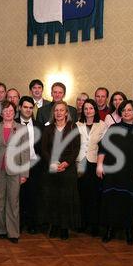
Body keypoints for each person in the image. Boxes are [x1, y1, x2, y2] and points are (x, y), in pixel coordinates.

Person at [97, 100, 133, 245]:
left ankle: (129, 230)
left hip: (131, 172)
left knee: (129, 202)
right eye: (124, 110)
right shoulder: (113, 127)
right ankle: (109, 230)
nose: (126, 113)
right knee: (111, 200)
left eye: (129, 110)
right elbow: (103, 148)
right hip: (113, 171)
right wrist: (99, 165)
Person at [41, 101, 81, 240]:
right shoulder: (48, 128)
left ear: (66, 112)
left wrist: (66, 163)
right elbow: (44, 149)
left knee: (66, 199)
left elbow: (76, 148)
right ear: (54, 113)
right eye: (56, 110)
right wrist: (52, 162)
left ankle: (64, 227)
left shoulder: (73, 127)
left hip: (67, 168)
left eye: (61, 110)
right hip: (52, 167)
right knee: (53, 198)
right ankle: (54, 225)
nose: (58, 113)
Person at [0, 101, 29, 243]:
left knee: (13, 202)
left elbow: (25, 152)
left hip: (16, 170)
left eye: (11, 110)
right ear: (1, 113)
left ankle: (13, 232)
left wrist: (24, 174)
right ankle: (1, 229)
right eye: (5, 110)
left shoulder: (21, 129)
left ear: (15, 112)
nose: (8, 113)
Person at [75, 99, 107, 236]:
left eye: (91, 108)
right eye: (86, 108)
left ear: (95, 110)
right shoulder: (76, 125)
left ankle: (94, 225)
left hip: (94, 163)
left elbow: (105, 146)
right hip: (80, 163)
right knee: (81, 194)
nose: (88, 111)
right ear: (83, 110)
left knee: (94, 195)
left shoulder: (102, 125)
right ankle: (82, 223)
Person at [16, 96, 44, 234]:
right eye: (25, 107)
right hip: (18, 166)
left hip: (35, 165)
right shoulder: (13, 124)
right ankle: (18, 223)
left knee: (33, 196)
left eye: (30, 108)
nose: (28, 110)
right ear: (20, 107)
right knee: (18, 196)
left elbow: (43, 148)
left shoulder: (39, 125)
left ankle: (32, 223)